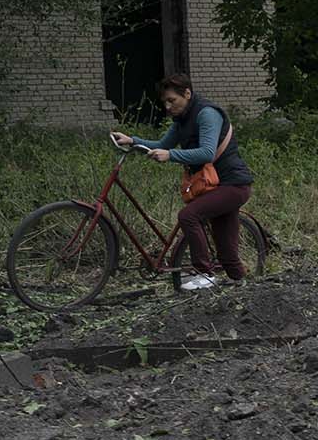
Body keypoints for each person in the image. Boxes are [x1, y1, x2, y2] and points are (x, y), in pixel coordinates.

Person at [109, 73, 255, 291]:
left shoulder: (207, 114)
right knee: (226, 251)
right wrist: (133, 141)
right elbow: (162, 143)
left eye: (172, 100)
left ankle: (204, 273)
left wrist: (171, 155)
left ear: (187, 94)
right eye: (165, 102)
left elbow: (206, 152)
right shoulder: (182, 119)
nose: (168, 107)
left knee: (188, 215)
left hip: (233, 184)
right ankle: (243, 291)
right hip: (214, 186)